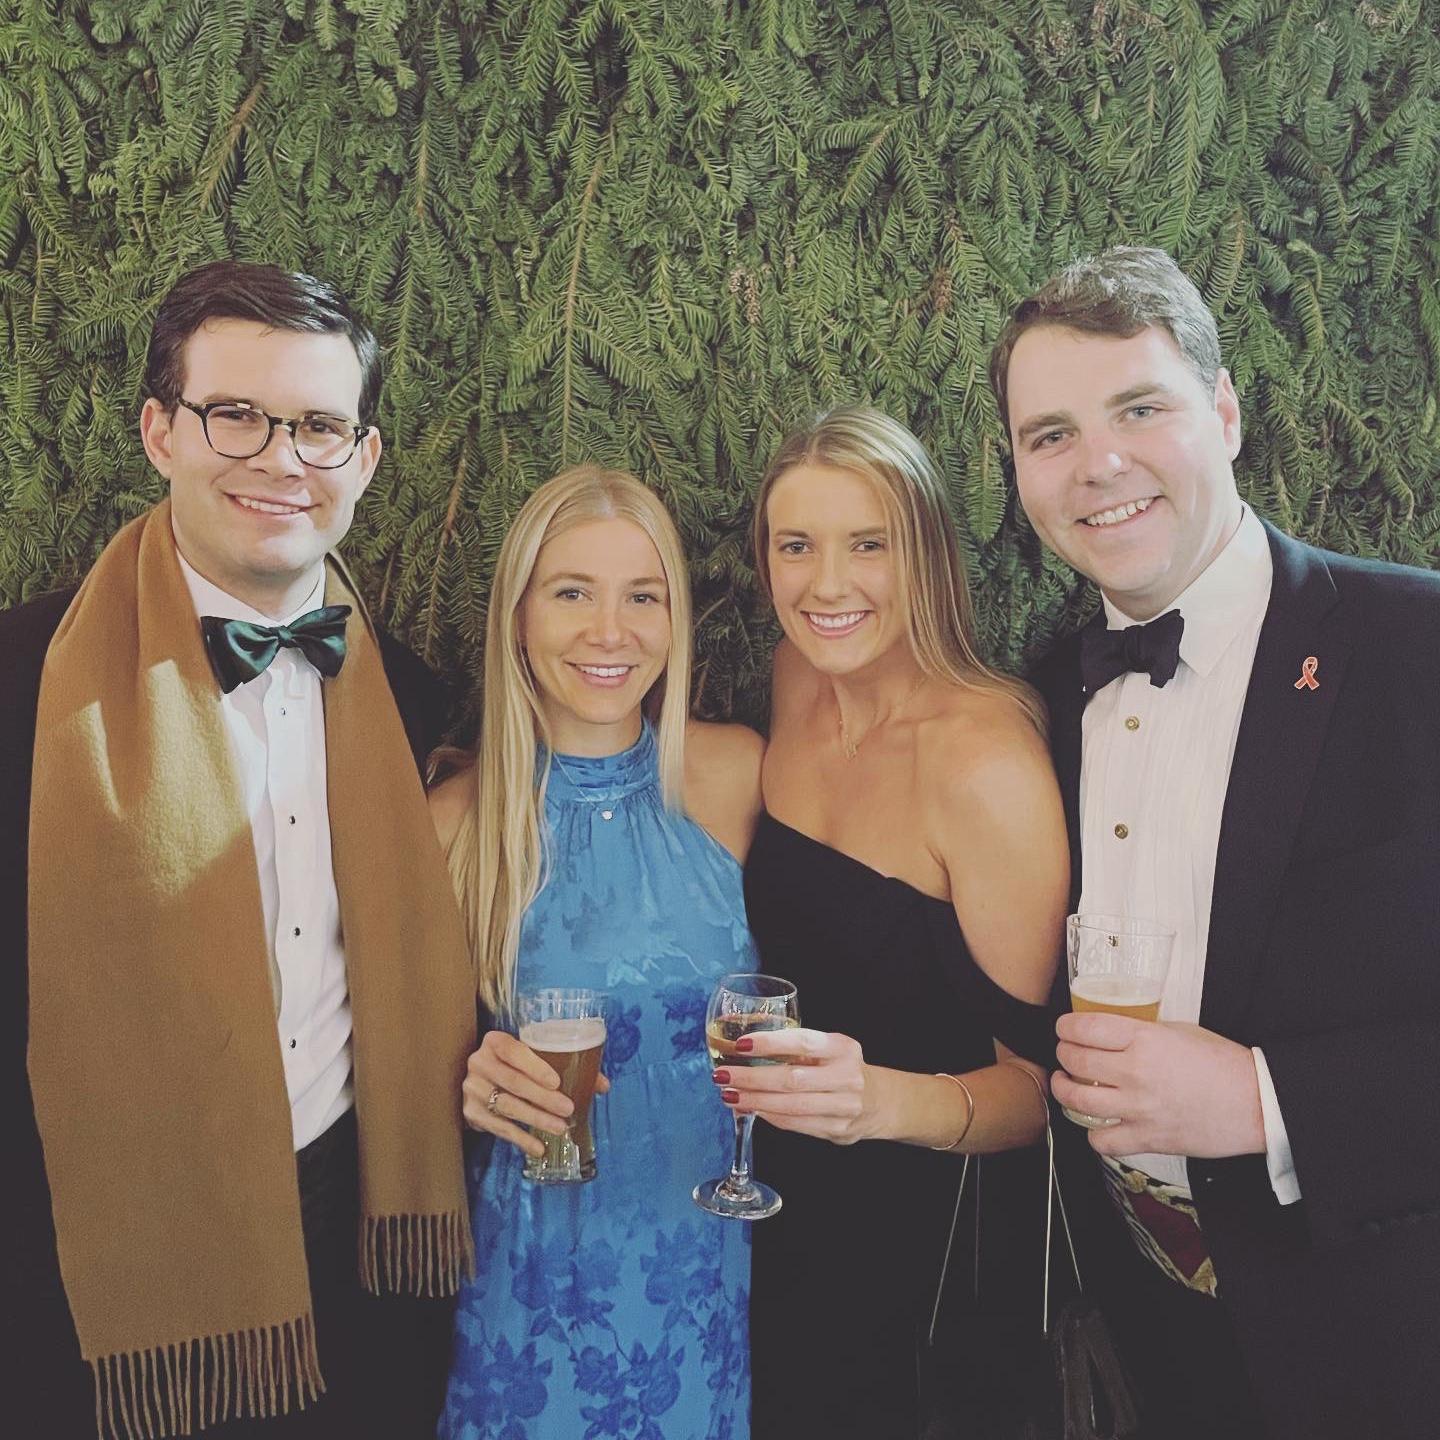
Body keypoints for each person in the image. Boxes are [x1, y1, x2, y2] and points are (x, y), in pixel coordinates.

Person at [4, 261, 475, 1440]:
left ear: (364, 458)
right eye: (236, 416)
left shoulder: (415, 701)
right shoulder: (20, 685)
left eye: (318, 426)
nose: (280, 459)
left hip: (362, 1257)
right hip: (107, 1285)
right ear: (160, 432)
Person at [991, 245, 1440, 1440]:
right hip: (1153, 1338)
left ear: (1226, 413)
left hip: (1389, 1344)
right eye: (1050, 435)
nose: (1100, 464)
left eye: (1140, 408)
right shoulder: (1042, 700)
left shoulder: (1420, 648)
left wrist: (1268, 1099)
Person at [722, 406, 1070, 1438]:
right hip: (777, 1200)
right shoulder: (796, 676)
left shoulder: (986, 766)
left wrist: (874, 1102)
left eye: (867, 545)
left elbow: (1039, 1095)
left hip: (926, 1254)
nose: (827, 585)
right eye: (797, 545)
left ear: (925, 555)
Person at [430, 465, 764, 1439]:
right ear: (518, 616)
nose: (610, 631)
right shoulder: (452, 825)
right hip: (530, 1287)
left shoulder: (733, 775)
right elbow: (388, 1083)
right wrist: (466, 1083)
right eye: (573, 593)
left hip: (703, 1278)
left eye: (642, 597)